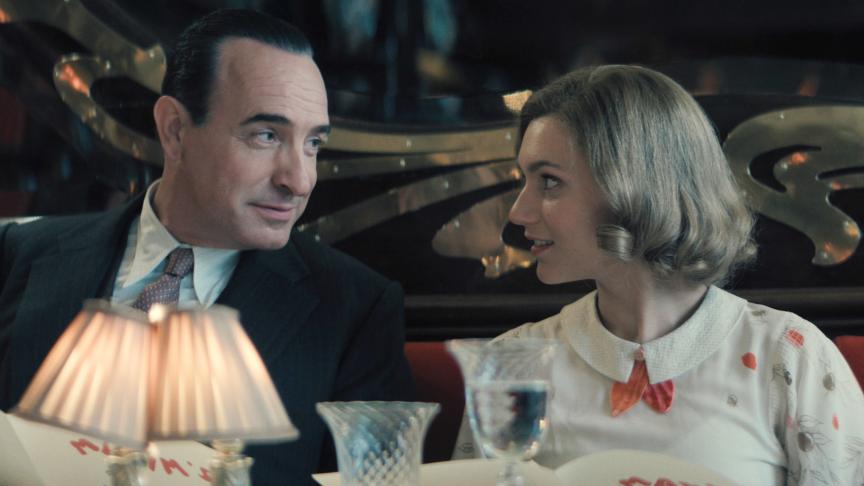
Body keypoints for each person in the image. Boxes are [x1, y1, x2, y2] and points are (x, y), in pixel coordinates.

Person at [0, 9, 414, 485]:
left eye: (313, 144)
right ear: (175, 130)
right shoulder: (19, 255)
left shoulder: (355, 310)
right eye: (266, 136)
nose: (299, 180)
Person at [454, 65, 864, 484]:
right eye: (525, 180)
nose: (518, 212)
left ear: (636, 185)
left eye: (549, 181)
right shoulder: (511, 366)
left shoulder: (790, 357)